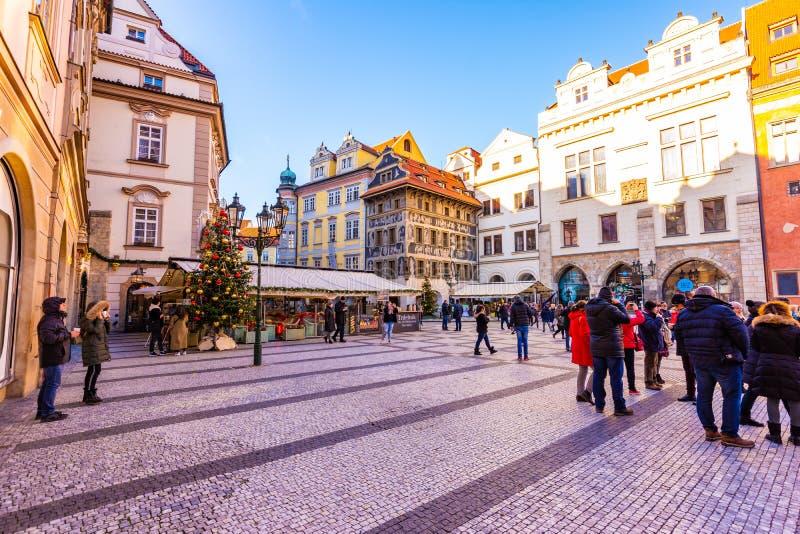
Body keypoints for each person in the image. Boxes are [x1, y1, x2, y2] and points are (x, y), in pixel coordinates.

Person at [675, 286, 753, 448]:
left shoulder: (684, 314)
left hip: (699, 362)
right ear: (713, 296)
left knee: (703, 396)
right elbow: (741, 334)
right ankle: (729, 434)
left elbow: (680, 338)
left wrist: (691, 356)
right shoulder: (722, 311)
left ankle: (710, 430)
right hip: (725, 361)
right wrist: (744, 355)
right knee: (731, 396)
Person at [744, 301, 800, 445]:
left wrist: (751, 372)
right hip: (791, 367)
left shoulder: (759, 328)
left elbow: (754, 350)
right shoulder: (795, 329)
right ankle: (797, 436)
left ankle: (775, 435)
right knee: (795, 400)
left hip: (766, 366)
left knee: (772, 399)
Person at [585, 287, 633, 416]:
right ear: (610, 297)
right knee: (616, 378)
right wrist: (620, 305)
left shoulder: (589, 308)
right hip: (613, 347)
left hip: (596, 348)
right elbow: (626, 319)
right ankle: (619, 407)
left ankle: (599, 406)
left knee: (598, 377)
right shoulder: (610, 308)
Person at [36, 297, 80, 422]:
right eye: (62, 304)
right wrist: (69, 334)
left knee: (48, 384)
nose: (65, 306)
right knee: (52, 384)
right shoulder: (49, 320)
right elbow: (48, 339)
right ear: (55, 306)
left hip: (54, 355)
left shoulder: (54, 319)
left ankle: (43, 411)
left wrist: (68, 335)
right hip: (52, 357)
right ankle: (47, 413)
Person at [79, 300, 111, 405]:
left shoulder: (99, 319)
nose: (101, 311)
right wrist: (100, 320)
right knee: (92, 370)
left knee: (96, 370)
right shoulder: (86, 320)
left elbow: (108, 331)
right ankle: (88, 393)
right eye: (100, 309)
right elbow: (95, 330)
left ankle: (91, 392)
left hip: (98, 347)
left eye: (103, 310)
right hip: (91, 347)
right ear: (94, 309)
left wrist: (107, 320)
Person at [740, 300, 766, 426]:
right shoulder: (757, 324)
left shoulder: (751, 322)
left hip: (753, 361)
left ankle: (744, 416)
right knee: (753, 390)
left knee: (752, 391)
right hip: (757, 361)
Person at [670, 294, 694, 402]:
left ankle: (691, 394)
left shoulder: (684, 312)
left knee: (690, 370)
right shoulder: (692, 310)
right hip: (691, 345)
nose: (675, 308)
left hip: (686, 346)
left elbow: (681, 328)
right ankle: (692, 393)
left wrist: (673, 327)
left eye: (675, 305)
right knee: (692, 371)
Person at [569, 300, 593, 404]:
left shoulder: (573, 317)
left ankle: (579, 394)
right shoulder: (583, 317)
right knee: (598, 370)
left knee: (582, 370)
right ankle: (587, 391)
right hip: (585, 348)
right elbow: (586, 334)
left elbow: (570, 332)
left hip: (577, 347)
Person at [639, 301, 666, 391]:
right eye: (656, 307)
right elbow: (653, 327)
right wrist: (658, 318)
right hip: (650, 343)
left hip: (654, 343)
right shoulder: (645, 317)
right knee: (650, 364)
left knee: (654, 363)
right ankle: (649, 382)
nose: (657, 309)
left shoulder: (650, 316)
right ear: (651, 308)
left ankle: (654, 381)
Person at [621, 302, 645, 395]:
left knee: (618, 369)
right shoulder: (626, 320)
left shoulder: (617, 317)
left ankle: (619, 388)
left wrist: (629, 309)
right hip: (628, 346)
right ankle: (632, 388)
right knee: (630, 368)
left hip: (617, 346)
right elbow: (640, 319)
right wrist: (636, 309)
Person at [509, 296, 533, 361]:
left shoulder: (513, 306)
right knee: (525, 341)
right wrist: (530, 320)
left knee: (519, 341)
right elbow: (530, 314)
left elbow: (512, 317)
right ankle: (526, 357)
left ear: (514, 299)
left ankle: (519, 356)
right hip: (525, 325)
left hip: (518, 325)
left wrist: (511, 325)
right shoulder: (525, 305)